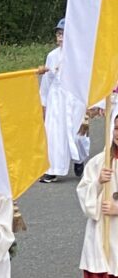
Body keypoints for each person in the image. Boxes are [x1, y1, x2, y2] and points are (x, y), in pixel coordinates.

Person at [76, 125, 118, 278]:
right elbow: (83, 195)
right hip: (100, 235)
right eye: (117, 129)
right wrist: (98, 183)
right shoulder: (99, 161)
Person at [38, 19, 88, 183]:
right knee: (53, 133)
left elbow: (85, 79)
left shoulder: (79, 56)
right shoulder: (52, 56)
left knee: (77, 135)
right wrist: (43, 102)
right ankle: (53, 169)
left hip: (74, 98)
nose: (60, 38)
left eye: (64, 35)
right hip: (56, 98)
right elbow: (47, 81)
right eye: (58, 34)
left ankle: (79, 158)